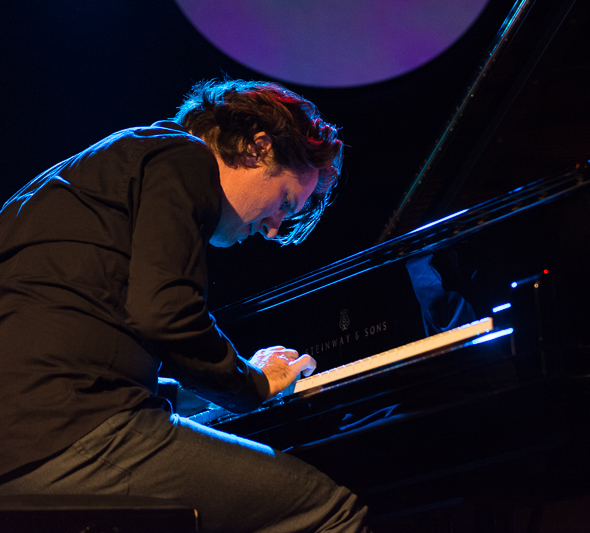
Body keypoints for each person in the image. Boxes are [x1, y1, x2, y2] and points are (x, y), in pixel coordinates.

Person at [0, 79, 371, 532]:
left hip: (21, 449)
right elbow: (167, 313)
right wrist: (251, 383)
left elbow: (83, 345)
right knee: (330, 512)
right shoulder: (185, 157)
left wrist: (207, 387)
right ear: (257, 148)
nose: (274, 228)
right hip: (71, 435)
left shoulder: (81, 176)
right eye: (286, 201)